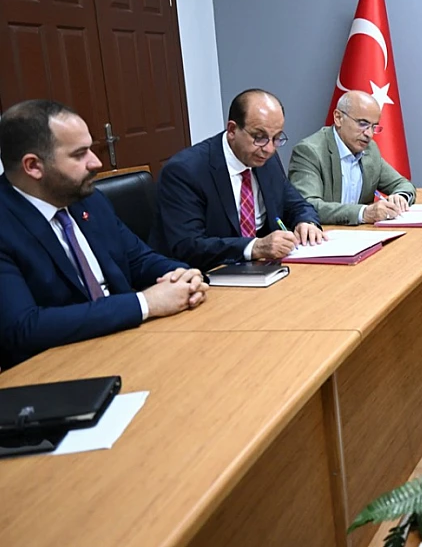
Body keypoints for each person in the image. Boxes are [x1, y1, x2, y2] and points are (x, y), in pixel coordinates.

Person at [0, 100, 208, 368]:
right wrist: (144, 303)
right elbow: (23, 327)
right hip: (57, 367)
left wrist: (183, 275)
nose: (96, 162)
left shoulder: (88, 199)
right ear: (33, 166)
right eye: (79, 154)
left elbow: (138, 260)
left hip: (131, 343)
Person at [150, 89, 324, 271]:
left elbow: (296, 204)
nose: (270, 148)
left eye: (277, 138)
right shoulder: (185, 171)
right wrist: (255, 247)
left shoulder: (266, 159)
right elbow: (189, 246)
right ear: (232, 130)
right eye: (259, 137)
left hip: (262, 271)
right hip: (203, 276)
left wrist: (307, 222)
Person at [289, 90, 416, 225]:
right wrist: (363, 213)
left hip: (361, 236)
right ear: (338, 118)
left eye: (374, 127)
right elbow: (307, 206)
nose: (369, 134)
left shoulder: (370, 149)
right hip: (324, 236)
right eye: (362, 124)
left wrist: (400, 197)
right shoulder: (309, 151)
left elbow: (403, 184)